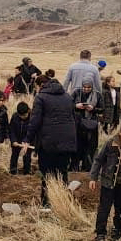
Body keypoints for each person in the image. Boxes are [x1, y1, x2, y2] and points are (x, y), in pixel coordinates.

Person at [23, 77, 77, 210]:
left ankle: (47, 203)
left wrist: (27, 139)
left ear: (42, 85)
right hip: (67, 141)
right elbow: (73, 118)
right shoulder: (68, 97)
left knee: (47, 173)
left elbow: (34, 121)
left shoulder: (41, 97)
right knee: (62, 172)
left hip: (48, 142)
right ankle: (62, 202)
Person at [89, 118, 121, 241]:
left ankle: (117, 230)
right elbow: (98, 160)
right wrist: (93, 178)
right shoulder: (111, 144)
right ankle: (100, 233)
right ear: (120, 133)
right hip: (109, 183)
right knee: (104, 208)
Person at [71, 80, 103, 171]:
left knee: (90, 147)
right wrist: (76, 106)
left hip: (91, 125)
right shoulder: (76, 93)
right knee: (77, 145)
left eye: (88, 87)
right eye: (84, 87)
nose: (86, 89)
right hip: (77, 124)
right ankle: (74, 166)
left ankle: (87, 167)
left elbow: (102, 109)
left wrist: (93, 109)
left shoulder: (97, 95)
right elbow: (69, 104)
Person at [8, 102, 33, 175]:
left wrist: (27, 141)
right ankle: (12, 171)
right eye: (20, 115)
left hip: (28, 140)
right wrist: (13, 140)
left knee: (27, 156)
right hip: (17, 139)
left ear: (28, 111)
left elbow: (32, 131)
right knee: (14, 155)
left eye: (24, 115)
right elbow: (11, 130)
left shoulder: (32, 118)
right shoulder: (15, 116)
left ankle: (27, 172)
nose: (22, 117)